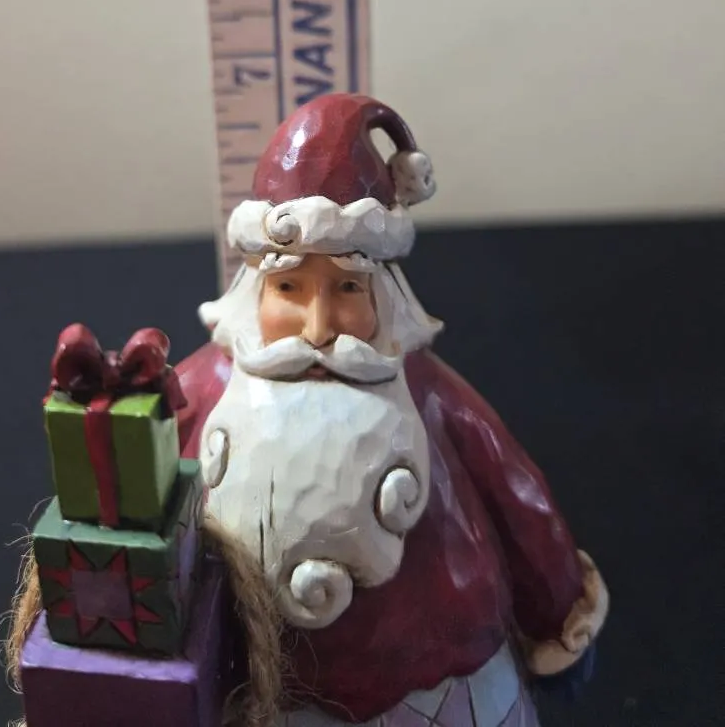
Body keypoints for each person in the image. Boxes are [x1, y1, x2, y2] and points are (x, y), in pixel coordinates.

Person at [173, 93, 609, 727]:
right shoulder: (202, 388)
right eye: (290, 288)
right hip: (249, 686)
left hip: (436, 679)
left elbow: (516, 495)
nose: (318, 327)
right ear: (256, 288)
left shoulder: (428, 397)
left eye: (347, 289)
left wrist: (558, 612)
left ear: (380, 292)